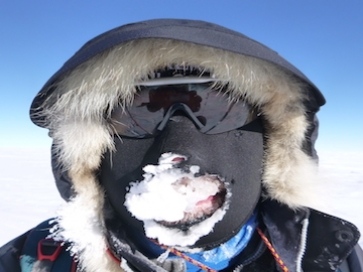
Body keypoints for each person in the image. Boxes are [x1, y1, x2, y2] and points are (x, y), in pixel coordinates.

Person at [0, 19, 362, 272]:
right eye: (138, 111)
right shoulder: (31, 261)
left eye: (220, 106)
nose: (177, 149)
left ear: (274, 138)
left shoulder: (327, 254)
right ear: (86, 154)